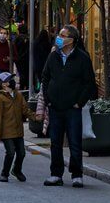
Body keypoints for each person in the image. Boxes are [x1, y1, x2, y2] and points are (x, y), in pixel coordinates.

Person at [40, 25, 97, 188]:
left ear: (71, 40)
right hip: (55, 107)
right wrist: (48, 98)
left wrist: (79, 102)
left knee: (74, 141)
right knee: (55, 142)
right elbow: (45, 77)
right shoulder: (53, 57)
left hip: (73, 108)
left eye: (62, 35)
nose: (58, 37)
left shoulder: (82, 58)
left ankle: (77, 174)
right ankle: (56, 174)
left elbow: (89, 83)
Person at [0, 72, 36, 182]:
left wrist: (36, 117)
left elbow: (25, 110)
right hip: (6, 132)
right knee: (10, 152)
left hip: (18, 130)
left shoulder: (18, 95)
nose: (13, 81)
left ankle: (17, 170)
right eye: (10, 80)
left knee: (21, 153)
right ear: (4, 84)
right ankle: (4, 173)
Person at [32, 28, 52, 92]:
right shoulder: (48, 44)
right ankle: (42, 90)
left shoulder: (35, 43)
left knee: (38, 78)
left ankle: (38, 89)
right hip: (45, 64)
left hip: (37, 64)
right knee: (44, 79)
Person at [13, 23, 30, 90]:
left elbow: (14, 48)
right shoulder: (28, 37)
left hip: (19, 59)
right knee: (26, 73)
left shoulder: (17, 38)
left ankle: (22, 87)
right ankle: (27, 86)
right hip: (27, 59)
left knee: (21, 73)